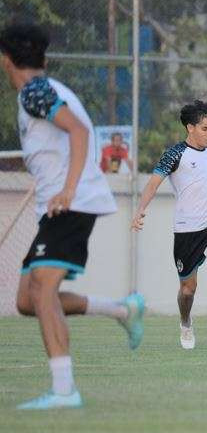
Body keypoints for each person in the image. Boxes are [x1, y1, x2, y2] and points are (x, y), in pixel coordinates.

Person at [1, 23, 144, 410]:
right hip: (63, 205)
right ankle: (122, 309)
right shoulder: (48, 89)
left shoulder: (34, 91)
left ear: (5, 61)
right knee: (28, 300)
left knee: (44, 290)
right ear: (43, 60)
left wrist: (67, 188)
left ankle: (64, 391)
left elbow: (79, 133)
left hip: (71, 203)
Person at [131, 100, 207, 349]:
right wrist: (140, 210)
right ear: (190, 127)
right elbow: (153, 183)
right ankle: (185, 322)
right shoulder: (175, 154)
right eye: (205, 128)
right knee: (188, 289)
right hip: (189, 229)